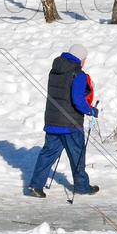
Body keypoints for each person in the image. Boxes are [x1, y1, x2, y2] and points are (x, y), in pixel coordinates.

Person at [26, 44, 99, 198]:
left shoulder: (54, 71)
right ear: (80, 58)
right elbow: (78, 100)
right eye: (84, 59)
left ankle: (36, 185)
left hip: (52, 121)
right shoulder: (77, 74)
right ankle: (82, 186)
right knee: (77, 155)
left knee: (48, 154)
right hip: (70, 123)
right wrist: (90, 110)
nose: (84, 62)